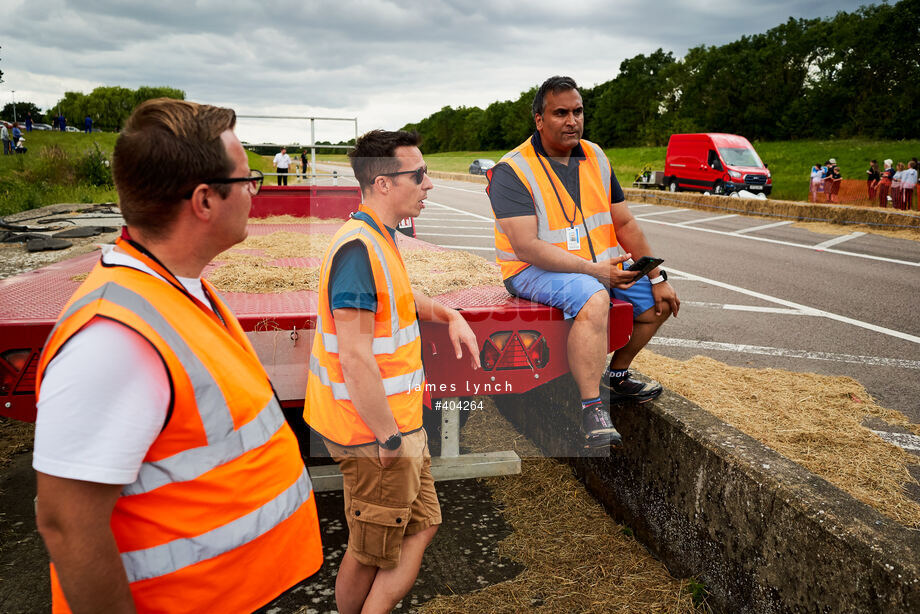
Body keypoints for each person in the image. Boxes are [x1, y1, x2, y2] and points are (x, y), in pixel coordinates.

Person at [33, 98, 323, 613]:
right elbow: (66, 522)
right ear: (205, 200)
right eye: (246, 179)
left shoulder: (177, 291)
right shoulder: (113, 339)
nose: (254, 192)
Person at [305, 129, 480, 614]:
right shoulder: (359, 250)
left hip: (398, 425)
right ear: (383, 183)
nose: (428, 184)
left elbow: (401, 301)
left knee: (422, 525)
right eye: (418, 175)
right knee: (368, 552)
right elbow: (354, 357)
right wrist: (388, 439)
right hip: (374, 433)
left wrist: (449, 314)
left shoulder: (381, 239)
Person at [487, 76, 680, 448]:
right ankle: (592, 407)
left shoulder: (597, 156)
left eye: (577, 111)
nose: (572, 120)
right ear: (539, 120)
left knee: (659, 304)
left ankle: (617, 376)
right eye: (560, 113)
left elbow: (624, 222)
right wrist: (596, 273)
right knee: (594, 297)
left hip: (593, 266)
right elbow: (526, 247)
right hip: (531, 271)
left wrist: (657, 278)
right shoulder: (512, 170)